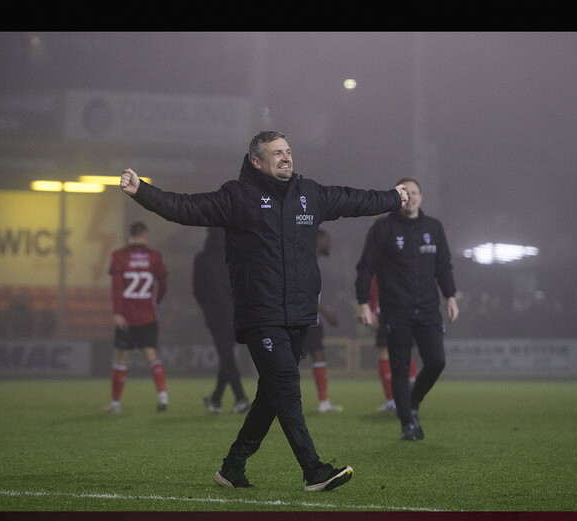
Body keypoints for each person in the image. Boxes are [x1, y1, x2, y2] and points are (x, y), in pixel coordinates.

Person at [119, 130, 407, 491]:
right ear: (257, 162)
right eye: (277, 154)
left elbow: (353, 200)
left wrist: (393, 199)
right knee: (286, 385)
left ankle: (232, 467)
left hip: (300, 313)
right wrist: (142, 191)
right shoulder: (238, 197)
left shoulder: (309, 194)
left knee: (271, 395)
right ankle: (313, 469)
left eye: (288, 152)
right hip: (261, 313)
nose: (286, 158)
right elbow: (186, 208)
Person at [355, 178, 458, 441]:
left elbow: (443, 266)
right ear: (397, 197)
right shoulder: (383, 229)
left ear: (421, 197)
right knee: (400, 368)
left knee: (436, 361)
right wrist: (364, 302)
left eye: (414, 192)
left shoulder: (433, 228)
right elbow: (365, 267)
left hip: (427, 310)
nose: (410, 197)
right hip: (396, 311)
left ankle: (411, 403)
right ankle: (407, 424)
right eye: (404, 193)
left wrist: (450, 296)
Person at [105, 220, 170, 414]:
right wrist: (155, 301)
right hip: (148, 314)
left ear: (130, 235)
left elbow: (116, 287)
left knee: (122, 357)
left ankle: (115, 404)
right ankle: (163, 395)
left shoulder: (119, 256)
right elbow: (164, 283)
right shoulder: (154, 256)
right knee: (151, 354)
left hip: (126, 316)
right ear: (144, 235)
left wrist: (117, 312)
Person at [194, 227, 251, 415]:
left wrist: (207, 308)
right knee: (226, 355)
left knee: (225, 355)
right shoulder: (234, 255)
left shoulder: (202, 259)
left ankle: (240, 398)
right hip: (237, 312)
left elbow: (197, 290)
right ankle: (216, 399)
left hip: (216, 314)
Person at [301, 229, 342, 413]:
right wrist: (325, 310)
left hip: (312, 319)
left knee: (319, 354)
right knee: (291, 360)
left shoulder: (313, 262)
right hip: (300, 318)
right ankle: (274, 402)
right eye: (327, 239)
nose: (330, 243)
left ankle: (324, 402)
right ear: (317, 240)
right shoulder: (304, 260)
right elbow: (300, 293)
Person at [367, 274, 417, 412]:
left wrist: (371, 309)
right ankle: (403, 401)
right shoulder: (406, 259)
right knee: (403, 353)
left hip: (391, 311)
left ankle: (394, 401)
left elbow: (374, 283)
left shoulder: (381, 259)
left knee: (389, 354)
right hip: (402, 311)